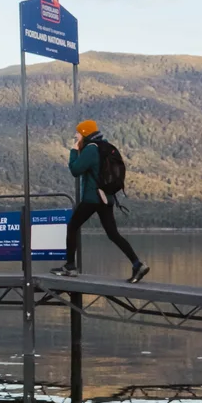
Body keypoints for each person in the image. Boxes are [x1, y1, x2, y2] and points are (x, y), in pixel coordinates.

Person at [53, 120, 148, 283]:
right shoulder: (104, 146)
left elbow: (75, 170)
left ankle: (70, 267)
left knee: (72, 227)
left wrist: (74, 151)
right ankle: (137, 264)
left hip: (92, 198)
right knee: (113, 234)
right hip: (106, 197)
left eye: (78, 133)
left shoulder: (91, 149)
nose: (75, 136)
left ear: (84, 133)